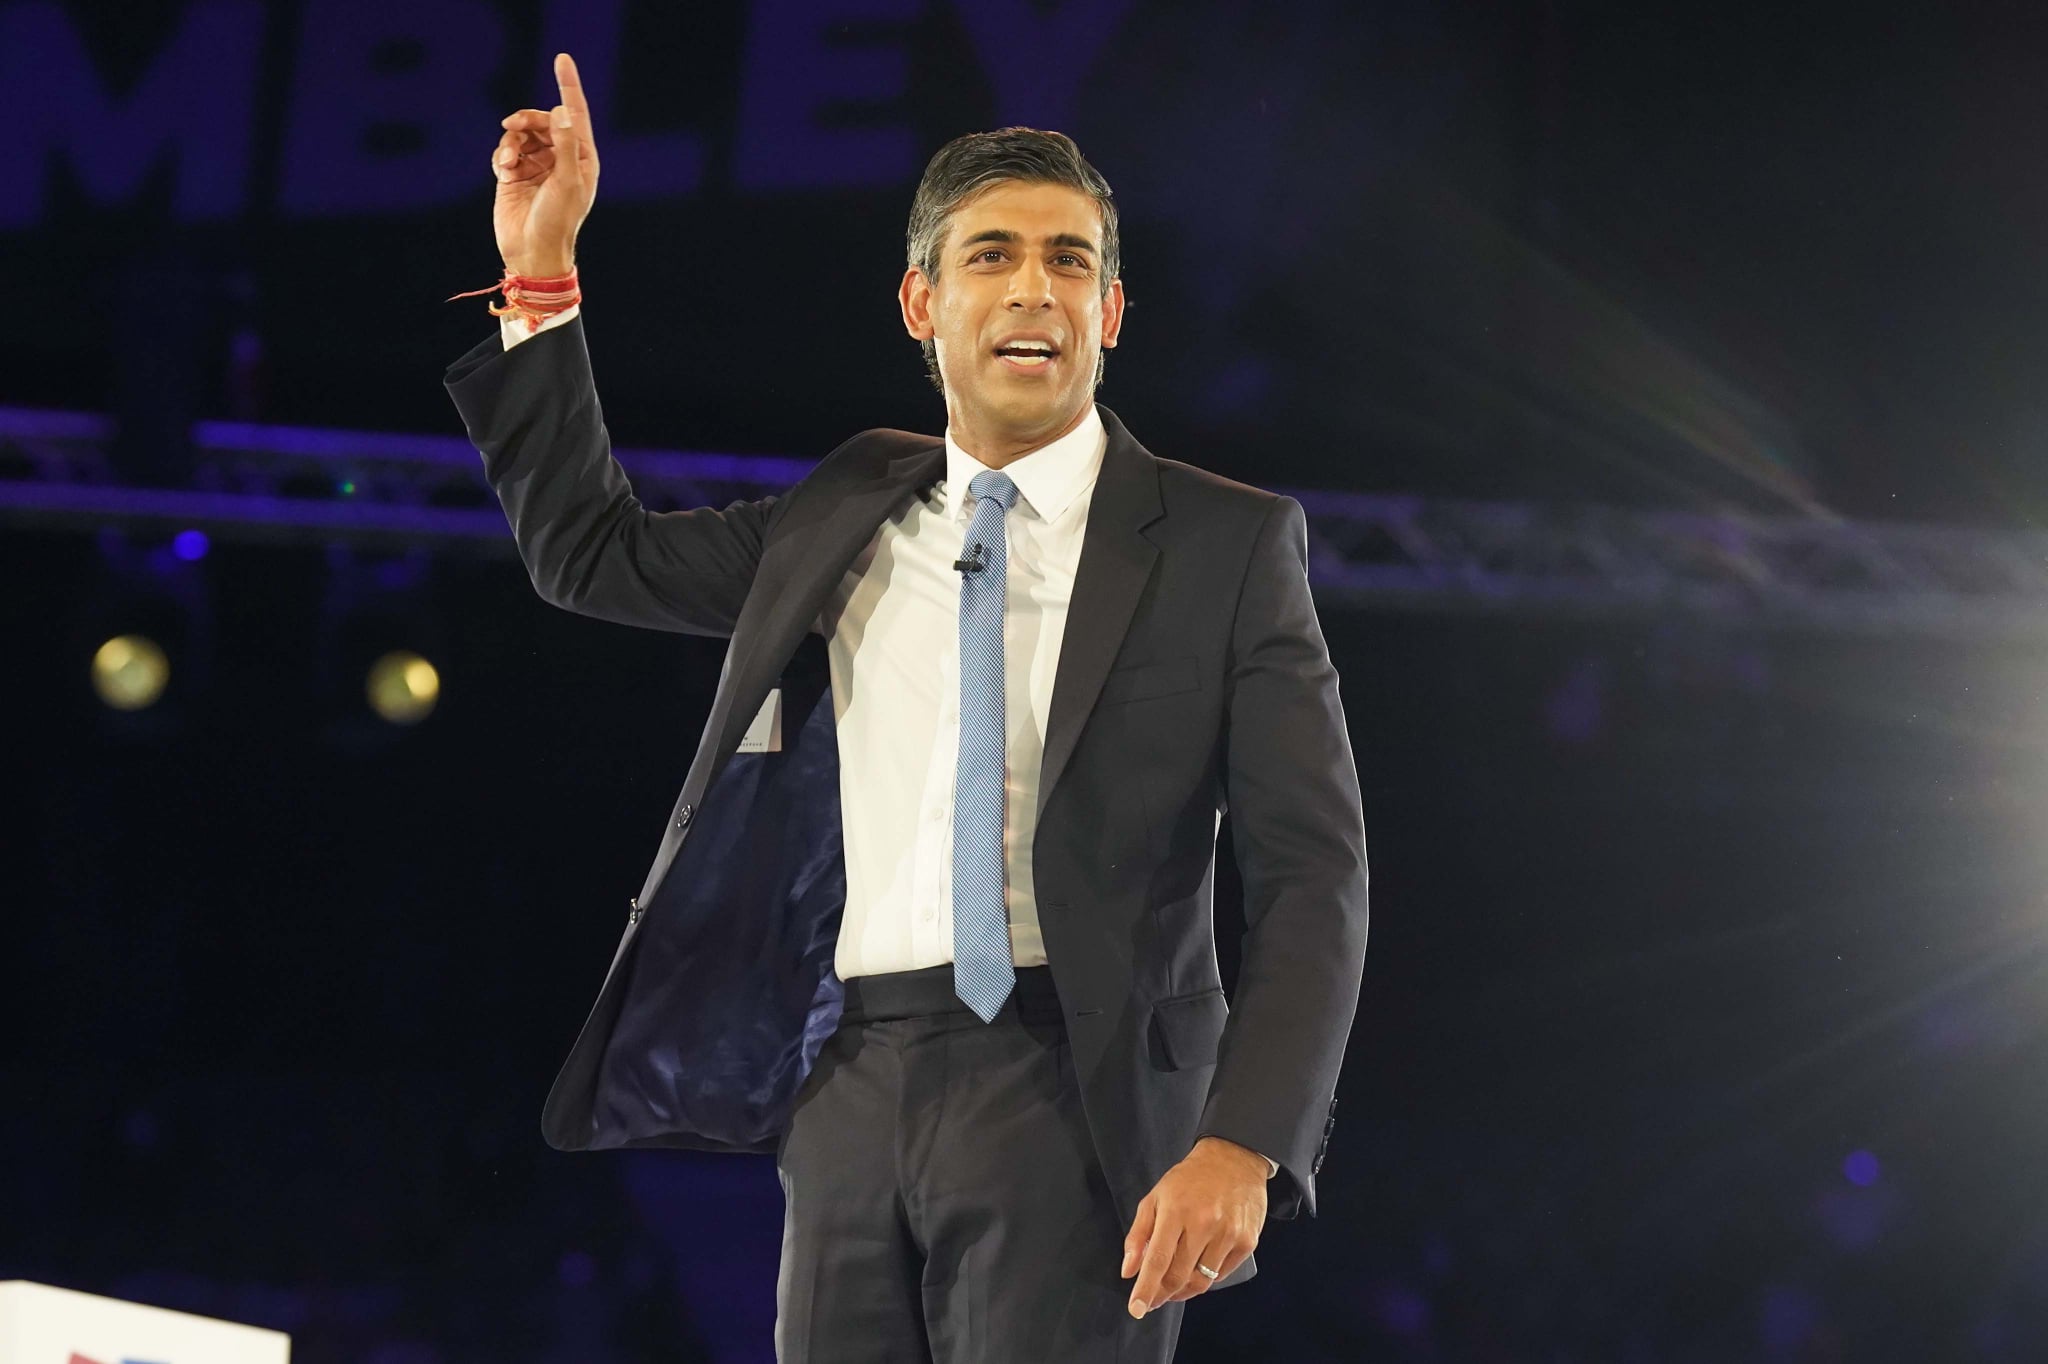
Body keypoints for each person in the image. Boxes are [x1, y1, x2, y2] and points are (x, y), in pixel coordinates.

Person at [444, 51, 1369, 1364]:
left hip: (1079, 1081)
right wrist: (540, 277)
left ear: (1110, 312)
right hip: (846, 1078)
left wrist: (1247, 1140)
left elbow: (1311, 877)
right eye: (991, 256)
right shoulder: (844, 511)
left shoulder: (1224, 544)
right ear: (921, 303)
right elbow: (589, 555)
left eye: (1069, 260)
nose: (1033, 286)